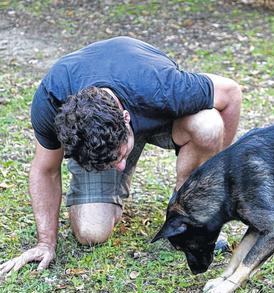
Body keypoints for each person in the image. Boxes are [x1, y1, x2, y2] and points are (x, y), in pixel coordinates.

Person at [0, 36, 242, 277]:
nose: (121, 165)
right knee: (91, 233)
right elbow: (45, 170)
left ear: (127, 119)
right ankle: (110, 188)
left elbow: (231, 93)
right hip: (104, 126)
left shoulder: (164, 86)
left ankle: (187, 214)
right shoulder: (53, 99)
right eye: (112, 162)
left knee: (208, 125)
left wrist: (214, 180)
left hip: (156, 107)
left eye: (122, 156)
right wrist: (45, 242)